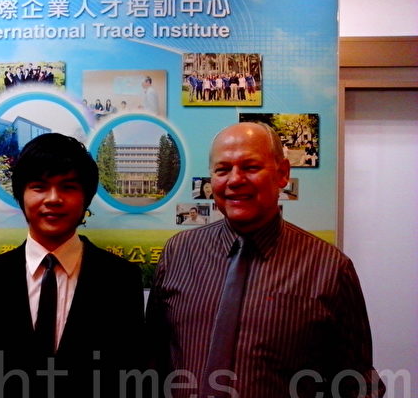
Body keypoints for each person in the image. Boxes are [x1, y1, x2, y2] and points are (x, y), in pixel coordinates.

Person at [146, 122, 384, 398]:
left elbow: (357, 384)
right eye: (222, 170)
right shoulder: (179, 254)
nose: (235, 180)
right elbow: (153, 361)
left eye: (250, 167)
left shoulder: (329, 267)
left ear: (282, 174)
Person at [0, 133, 145, 398]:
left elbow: (130, 378)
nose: (53, 198)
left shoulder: (120, 279)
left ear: (86, 198)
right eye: (39, 186)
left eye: (68, 187)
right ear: (20, 195)